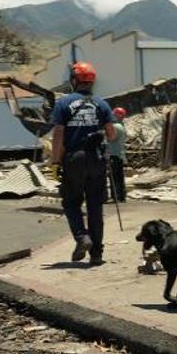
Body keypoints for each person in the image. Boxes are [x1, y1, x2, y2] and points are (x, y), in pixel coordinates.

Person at [51, 61, 115, 265]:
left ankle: (82, 237)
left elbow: (58, 134)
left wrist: (55, 161)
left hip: (74, 159)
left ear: (73, 80)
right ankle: (97, 254)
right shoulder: (102, 104)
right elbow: (112, 135)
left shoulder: (63, 104)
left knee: (71, 202)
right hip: (96, 159)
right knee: (96, 207)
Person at [107, 107, 128, 202]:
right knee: (119, 177)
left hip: (113, 154)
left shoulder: (115, 127)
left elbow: (111, 139)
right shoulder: (121, 126)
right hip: (119, 154)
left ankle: (115, 197)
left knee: (114, 177)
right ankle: (121, 196)